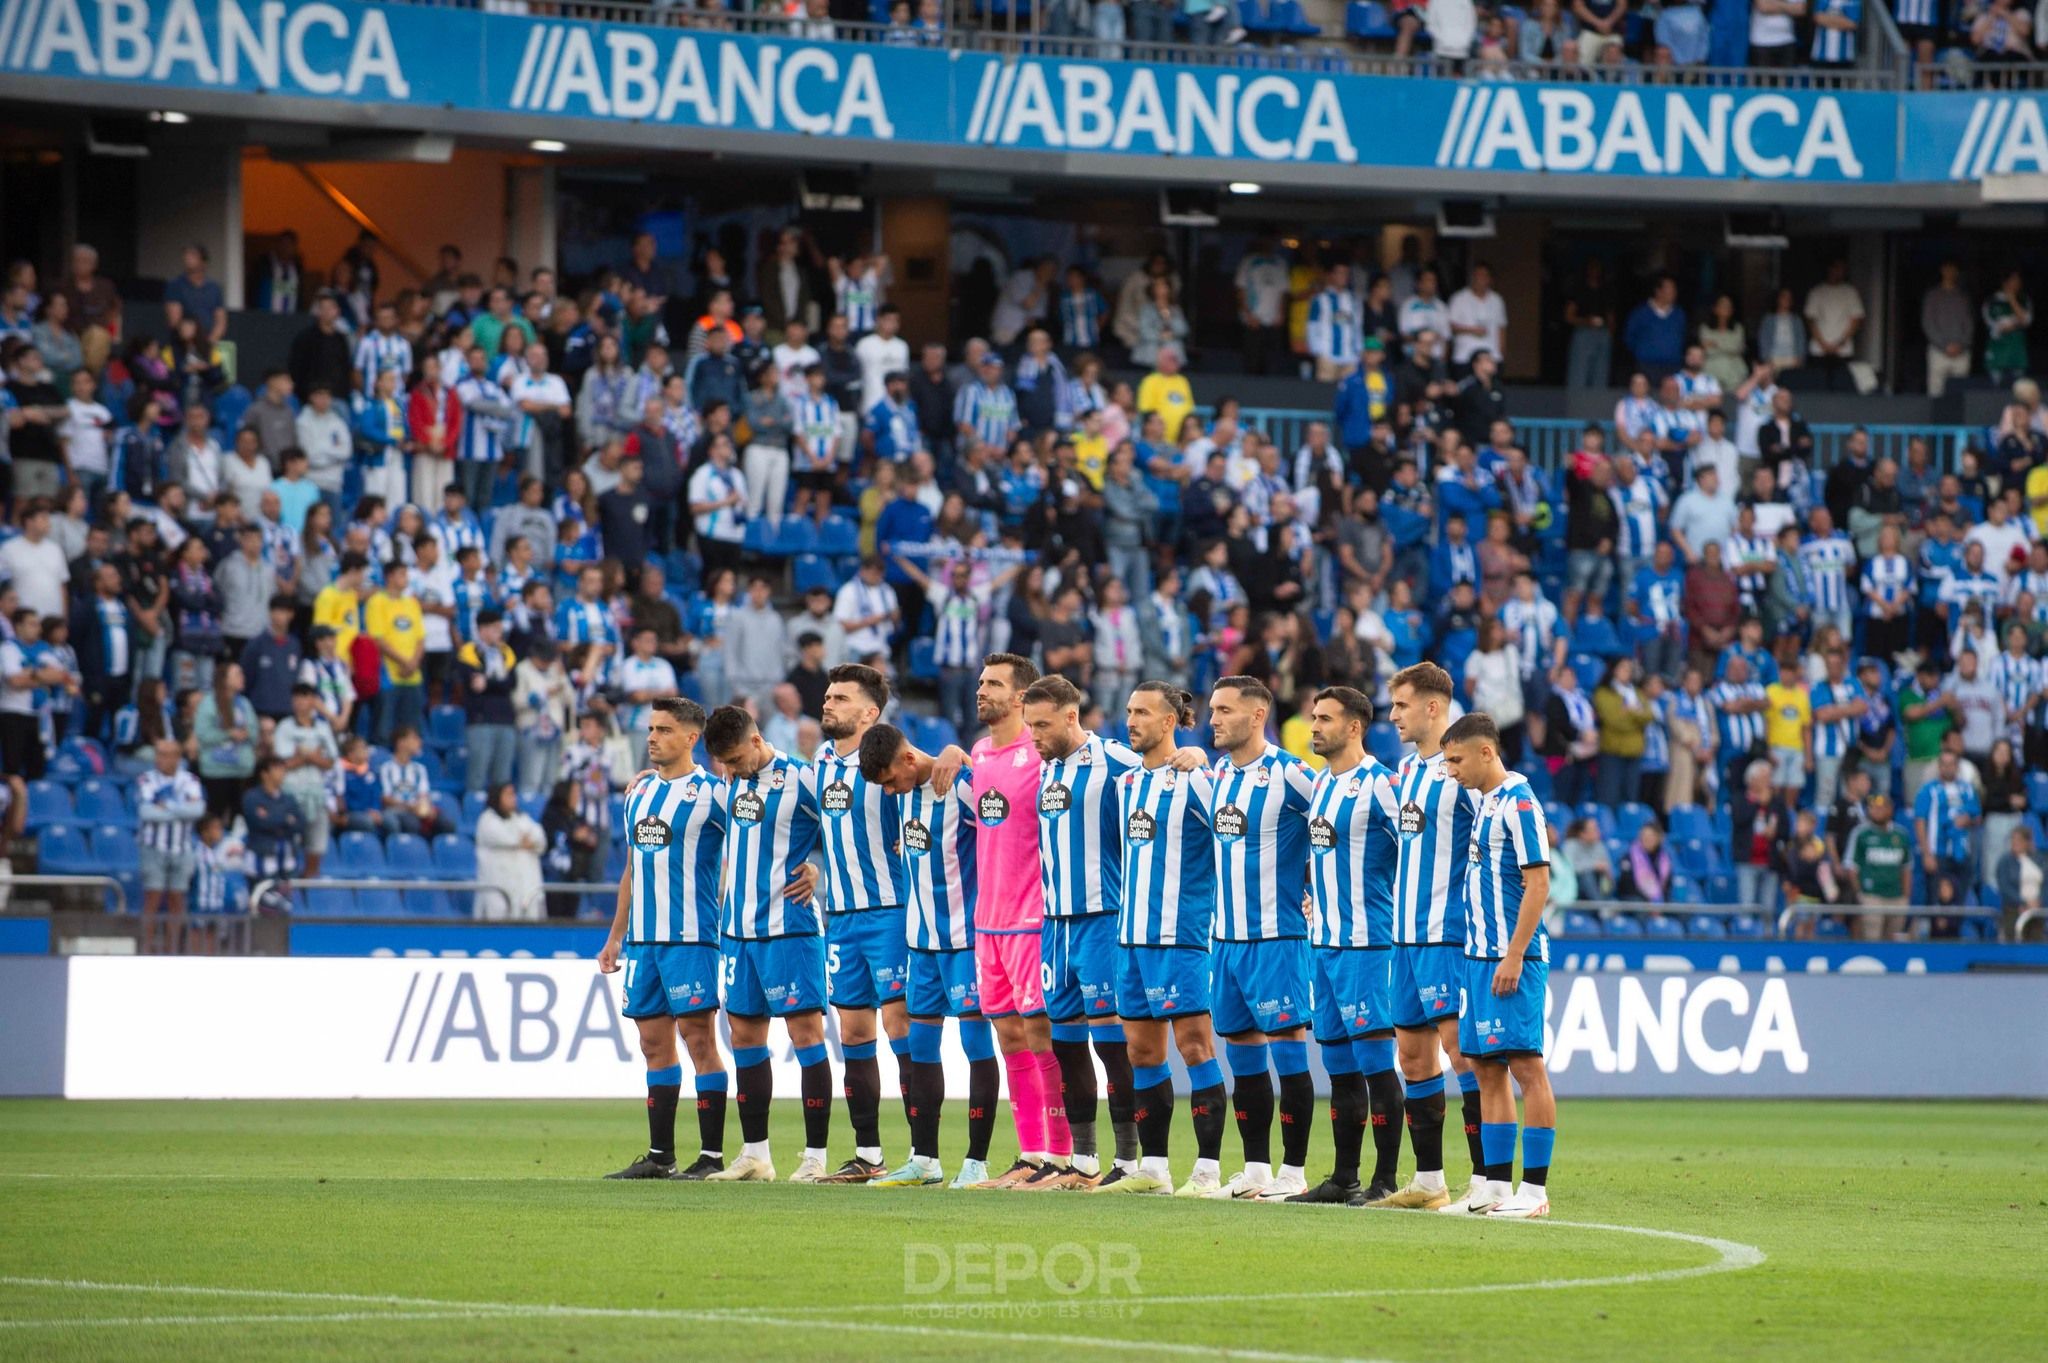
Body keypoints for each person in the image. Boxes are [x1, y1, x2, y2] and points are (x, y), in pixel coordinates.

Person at [923, 655, 1072, 1189]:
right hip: (986, 923)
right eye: (981, 682)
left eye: (993, 685)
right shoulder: (980, 754)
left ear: (1020, 698)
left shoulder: (1046, 754)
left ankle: (1063, 1155)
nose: (980, 691)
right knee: (1010, 1038)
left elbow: (1113, 758)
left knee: (1042, 1036)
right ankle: (1031, 1154)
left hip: (1034, 919)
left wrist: (1191, 753)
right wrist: (952, 751)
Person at [1089, 682, 1230, 1197]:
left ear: (1170, 721)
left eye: (1143, 712)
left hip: (1182, 935)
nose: (1131, 720)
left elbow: (1232, 845)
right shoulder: (1125, 784)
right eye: (1128, 711)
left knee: (1194, 1046)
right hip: (1130, 939)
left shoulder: (1197, 781)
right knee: (1142, 1053)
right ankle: (1153, 1168)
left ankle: (1208, 1170)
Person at [597, 699, 744, 1181]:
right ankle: (661, 1156)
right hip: (644, 942)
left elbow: (761, 837)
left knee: (698, 1038)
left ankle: (712, 1156)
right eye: (651, 729)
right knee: (651, 1043)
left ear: (690, 739)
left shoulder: (714, 793)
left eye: (664, 730)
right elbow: (631, 871)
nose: (653, 737)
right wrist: (615, 937)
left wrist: (807, 864)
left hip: (692, 938)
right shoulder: (637, 795)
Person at [859, 721, 1001, 1189]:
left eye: (890, 781)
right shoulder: (904, 798)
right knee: (920, 1049)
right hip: (920, 944)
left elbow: (1005, 821)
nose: (890, 791)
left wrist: (965, 755)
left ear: (907, 760)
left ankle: (977, 1163)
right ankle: (925, 1160)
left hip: (966, 941)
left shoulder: (959, 784)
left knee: (976, 1046)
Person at [1014, 675, 1143, 1189]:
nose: (1034, 736)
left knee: (1114, 1045)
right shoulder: (1045, 771)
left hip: (1104, 920)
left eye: (1042, 725)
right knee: (1065, 1044)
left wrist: (1191, 760)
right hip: (1056, 925)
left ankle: (1131, 1162)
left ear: (1073, 717)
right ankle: (1083, 1161)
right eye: (1029, 727)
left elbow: (1163, 773)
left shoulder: (1115, 762)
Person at [1282, 686, 1407, 1206]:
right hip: (1325, 946)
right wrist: (1314, 898)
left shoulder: (1381, 785)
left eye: (1325, 719)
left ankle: (1387, 1180)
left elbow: (1414, 854)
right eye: (1313, 717)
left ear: (1354, 727)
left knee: (1378, 1064)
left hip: (1368, 946)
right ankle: (1344, 1176)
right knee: (1339, 1067)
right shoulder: (1320, 787)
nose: (1313, 727)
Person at [1369, 663, 1485, 1212]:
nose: (1391, 716)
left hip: (1448, 935)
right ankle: (1431, 1180)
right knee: (1414, 1060)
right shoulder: (1404, 770)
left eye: (1401, 706)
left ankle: (1488, 1181)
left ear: (1433, 708)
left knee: (1465, 1056)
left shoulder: (1462, 772)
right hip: (1404, 935)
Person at [700, 705, 832, 1184]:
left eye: (735, 759)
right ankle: (756, 1154)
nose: (730, 771)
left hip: (790, 929)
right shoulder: (728, 782)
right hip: (737, 932)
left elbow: (849, 831)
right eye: (722, 764)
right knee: (746, 1039)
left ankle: (816, 1156)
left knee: (806, 1037)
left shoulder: (803, 779)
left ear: (756, 742)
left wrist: (821, 872)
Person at [1439, 711, 1555, 1219]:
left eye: (1457, 759)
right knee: (1486, 1070)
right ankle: (1494, 1186)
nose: (1451, 770)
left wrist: (1513, 953)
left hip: (1514, 959)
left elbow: (1539, 883)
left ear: (1487, 752)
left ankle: (1535, 1192)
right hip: (1477, 960)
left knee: (1527, 1067)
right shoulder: (1485, 802)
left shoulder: (1520, 803)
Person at [805, 664, 913, 1184]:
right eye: (828, 696)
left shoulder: (896, 759)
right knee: (852, 1032)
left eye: (841, 698)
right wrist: (810, 861)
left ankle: (924, 1154)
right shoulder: (821, 760)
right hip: (841, 918)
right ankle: (868, 1154)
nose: (828, 704)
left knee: (902, 1028)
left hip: (891, 911)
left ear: (870, 713)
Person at [136, 737, 206, 955]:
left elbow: (198, 811)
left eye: (166, 754)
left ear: (177, 758)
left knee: (177, 899)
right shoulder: (146, 780)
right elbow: (146, 812)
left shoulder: (190, 781)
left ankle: (172, 949)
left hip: (182, 848)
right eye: (158, 754)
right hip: (153, 847)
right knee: (153, 897)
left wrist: (166, 805)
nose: (161, 759)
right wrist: (181, 808)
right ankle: (145, 949)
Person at [271, 683, 338, 879]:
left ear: (314, 701)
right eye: (298, 697)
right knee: (289, 839)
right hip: (291, 791)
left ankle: (310, 881)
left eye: (306, 697)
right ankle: (287, 880)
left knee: (317, 841)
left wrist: (305, 756)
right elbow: (282, 763)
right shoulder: (285, 727)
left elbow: (331, 761)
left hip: (316, 791)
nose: (301, 702)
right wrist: (309, 757)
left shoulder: (323, 728)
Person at [475, 781, 545, 922]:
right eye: (508, 794)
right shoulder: (487, 820)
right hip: (497, 889)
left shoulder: (522, 818)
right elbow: (506, 837)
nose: (513, 798)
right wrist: (522, 841)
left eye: (513, 794)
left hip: (524, 889)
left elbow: (540, 837)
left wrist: (527, 841)